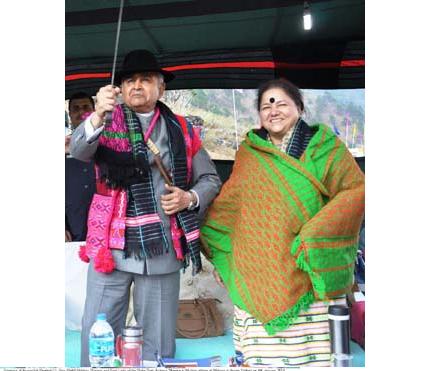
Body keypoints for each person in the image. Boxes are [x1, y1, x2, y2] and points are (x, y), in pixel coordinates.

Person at [69, 49, 221, 366]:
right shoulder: (104, 120)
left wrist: (188, 198)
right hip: (110, 245)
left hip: (162, 244)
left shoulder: (183, 128)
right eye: (130, 81)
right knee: (98, 332)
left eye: (146, 80)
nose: (137, 86)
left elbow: (209, 178)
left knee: (159, 339)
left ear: (161, 87)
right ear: (120, 90)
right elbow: (81, 151)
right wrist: (97, 114)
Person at [201, 79, 364, 367]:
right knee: (265, 359)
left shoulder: (326, 148)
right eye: (266, 105)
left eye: (281, 103)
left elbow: (355, 191)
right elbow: (230, 209)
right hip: (263, 265)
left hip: (310, 264)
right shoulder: (250, 154)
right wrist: (227, 257)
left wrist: (316, 234)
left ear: (299, 108)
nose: (273, 110)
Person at [65, 92, 96, 241]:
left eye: (86, 107)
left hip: (107, 222)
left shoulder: (110, 141)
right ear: (70, 114)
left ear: (94, 110)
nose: (81, 112)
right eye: (76, 109)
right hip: (73, 226)